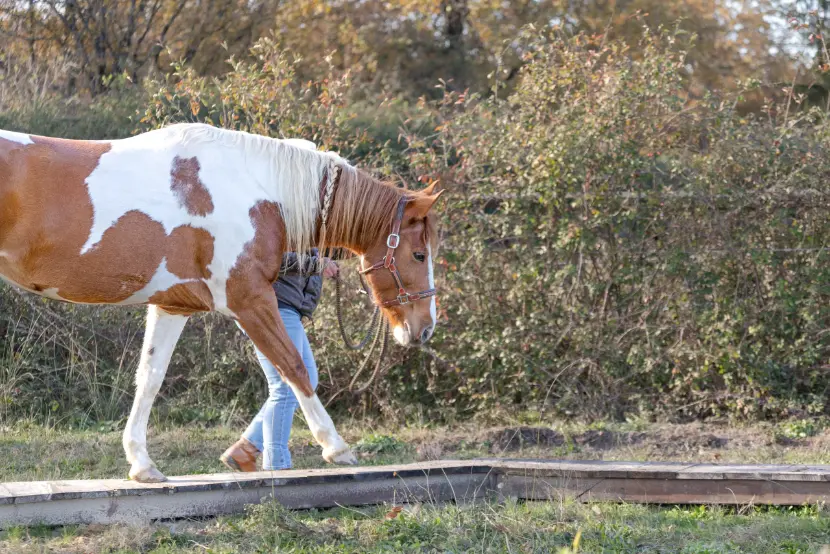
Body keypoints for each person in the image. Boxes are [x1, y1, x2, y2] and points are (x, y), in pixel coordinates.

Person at [220, 248, 339, 471]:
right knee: (287, 386)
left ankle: (247, 448)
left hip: (285, 307)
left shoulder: (309, 222)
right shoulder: (283, 214)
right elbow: (266, 255)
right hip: (273, 305)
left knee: (307, 381)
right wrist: (316, 265)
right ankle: (277, 466)